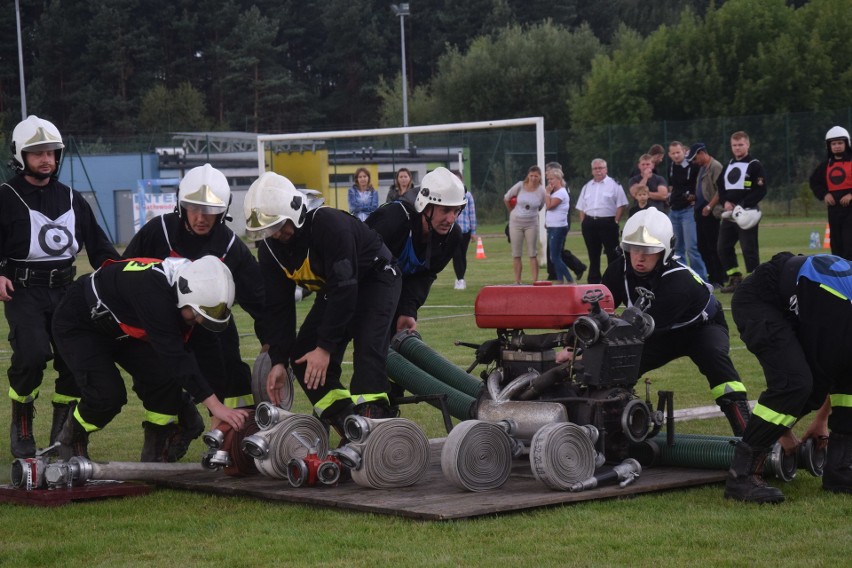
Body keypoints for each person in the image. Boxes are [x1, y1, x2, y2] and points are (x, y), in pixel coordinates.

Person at [245, 172, 402, 438]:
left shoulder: (329, 225)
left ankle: (377, 429)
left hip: (376, 278)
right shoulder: (270, 249)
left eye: (279, 225)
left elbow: (346, 287)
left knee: (367, 350)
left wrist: (326, 346)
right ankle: (349, 424)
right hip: (337, 288)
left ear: (294, 211)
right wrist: (279, 360)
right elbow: (278, 307)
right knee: (303, 357)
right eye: (268, 229)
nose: (276, 234)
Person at [123, 163, 265, 451]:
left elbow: (259, 297)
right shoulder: (157, 232)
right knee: (156, 378)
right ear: (181, 205)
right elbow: (126, 274)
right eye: (194, 208)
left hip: (211, 327)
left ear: (223, 210)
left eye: (210, 210)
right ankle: (172, 429)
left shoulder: (230, 246)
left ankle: (227, 444)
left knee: (228, 373)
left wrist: (272, 343)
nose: (201, 217)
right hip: (162, 326)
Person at [1, 115, 120, 459]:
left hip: (68, 291)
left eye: (52, 153)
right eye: (37, 153)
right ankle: (22, 419)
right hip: (24, 292)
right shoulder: (5, 197)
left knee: (73, 360)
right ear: (20, 156)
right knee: (33, 354)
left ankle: (62, 432)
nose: (46, 160)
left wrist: (119, 277)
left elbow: (100, 248)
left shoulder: (72, 198)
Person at [51, 256, 249, 461]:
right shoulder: (153, 293)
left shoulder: (196, 300)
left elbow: (211, 358)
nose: (198, 322)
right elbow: (175, 355)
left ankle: (155, 453)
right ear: (183, 294)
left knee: (162, 380)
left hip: (123, 326)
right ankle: (71, 437)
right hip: (80, 323)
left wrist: (215, 413)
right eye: (197, 316)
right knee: (106, 395)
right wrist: (215, 406)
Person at [578, 208, 752, 437]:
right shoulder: (617, 270)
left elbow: (633, 331)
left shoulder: (679, 282)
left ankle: (749, 438)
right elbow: (598, 313)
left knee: (716, 362)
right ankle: (612, 434)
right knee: (612, 369)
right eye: (634, 248)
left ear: (666, 250)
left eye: (649, 250)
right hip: (656, 331)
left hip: (701, 328)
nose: (639, 257)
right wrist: (576, 347)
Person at [728, 252, 852, 502]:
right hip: (761, 300)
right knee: (797, 384)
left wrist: (821, 420)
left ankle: (840, 470)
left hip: (804, 296)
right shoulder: (840, 309)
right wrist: (782, 431)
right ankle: (742, 477)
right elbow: (824, 372)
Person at [366, 167, 464, 333]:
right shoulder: (392, 220)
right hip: (355, 289)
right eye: (445, 210)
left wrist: (407, 310)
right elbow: (357, 260)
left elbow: (425, 275)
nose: (451, 219)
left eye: (456, 210)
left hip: (391, 297)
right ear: (425, 206)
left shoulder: (452, 236)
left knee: (392, 352)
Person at [716, 131, 767, 293]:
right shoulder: (728, 165)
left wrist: (742, 204)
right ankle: (735, 278)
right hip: (730, 216)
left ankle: (754, 282)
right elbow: (721, 187)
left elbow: (761, 190)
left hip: (748, 214)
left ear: (748, 145)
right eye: (734, 145)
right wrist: (725, 202)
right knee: (723, 247)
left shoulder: (755, 165)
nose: (737, 148)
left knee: (749, 249)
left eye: (740, 145)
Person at [575, 159, 628, 284]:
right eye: (595, 168)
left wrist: (615, 221)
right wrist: (583, 222)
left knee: (612, 254)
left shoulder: (614, 185)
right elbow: (581, 207)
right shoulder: (587, 186)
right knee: (593, 254)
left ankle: (613, 280)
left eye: (601, 168)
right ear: (592, 171)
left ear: (606, 169)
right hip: (590, 223)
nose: (598, 170)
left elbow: (621, 204)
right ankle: (593, 281)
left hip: (608, 223)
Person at [809, 126, 852, 260]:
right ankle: (839, 275)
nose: (837, 146)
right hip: (834, 211)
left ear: (847, 143)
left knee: (849, 242)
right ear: (829, 146)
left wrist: (851, 195)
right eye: (833, 144)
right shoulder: (825, 166)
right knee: (836, 244)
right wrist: (824, 194)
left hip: (850, 210)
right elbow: (814, 182)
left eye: (840, 143)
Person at [687, 142, 726, 287]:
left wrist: (709, 206)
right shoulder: (702, 168)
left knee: (713, 246)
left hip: (710, 213)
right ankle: (711, 276)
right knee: (703, 247)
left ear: (702, 153)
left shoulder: (715, 166)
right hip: (700, 212)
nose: (694, 162)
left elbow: (720, 190)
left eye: (695, 158)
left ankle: (719, 279)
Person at [667, 141, 708, 280]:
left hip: (688, 211)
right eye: (673, 153)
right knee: (677, 249)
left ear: (684, 151)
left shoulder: (693, 166)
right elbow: (671, 186)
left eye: (678, 152)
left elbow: (698, 185)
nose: (676, 155)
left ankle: (702, 278)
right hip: (674, 211)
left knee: (692, 248)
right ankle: (684, 278)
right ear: (669, 155)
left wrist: (693, 198)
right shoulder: (671, 167)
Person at [504, 166, 546, 284]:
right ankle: (517, 281)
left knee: (532, 253)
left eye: (536, 176)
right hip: (516, 223)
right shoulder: (520, 185)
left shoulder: (541, 191)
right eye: (531, 175)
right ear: (528, 176)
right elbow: (506, 198)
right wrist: (511, 211)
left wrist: (532, 213)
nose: (533, 178)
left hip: (531, 223)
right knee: (516, 253)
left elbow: (541, 205)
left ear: (539, 177)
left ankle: (535, 281)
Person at [544, 167, 573, 284]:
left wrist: (546, 193)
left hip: (558, 227)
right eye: (548, 179)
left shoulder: (561, 192)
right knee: (555, 256)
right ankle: (560, 280)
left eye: (552, 179)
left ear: (558, 179)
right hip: (552, 227)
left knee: (554, 257)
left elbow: (550, 206)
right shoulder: (555, 192)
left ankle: (569, 279)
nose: (550, 182)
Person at [451, 170, 476, 290]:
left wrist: (473, 231)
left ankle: (461, 277)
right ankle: (460, 279)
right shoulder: (448, 195)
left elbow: (472, 213)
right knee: (455, 254)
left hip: (465, 230)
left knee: (462, 255)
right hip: (452, 230)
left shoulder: (468, 195)